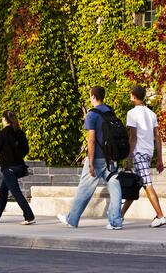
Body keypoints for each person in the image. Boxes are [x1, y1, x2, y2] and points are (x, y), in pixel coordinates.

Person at [57, 86, 123, 230]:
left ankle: (72, 219)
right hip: (111, 157)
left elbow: (91, 140)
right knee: (115, 186)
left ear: (93, 96)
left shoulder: (92, 115)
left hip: (98, 158)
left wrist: (91, 162)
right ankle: (116, 221)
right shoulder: (110, 111)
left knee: (84, 189)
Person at [122, 85, 166, 228]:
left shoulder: (132, 113)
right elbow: (158, 137)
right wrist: (159, 159)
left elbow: (133, 137)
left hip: (139, 153)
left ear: (134, 96)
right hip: (148, 152)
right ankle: (119, 216)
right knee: (135, 184)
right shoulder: (151, 114)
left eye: (130, 94)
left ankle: (160, 215)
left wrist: (128, 158)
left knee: (147, 184)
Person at [0, 110, 35, 225]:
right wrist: (17, 155)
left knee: (16, 193)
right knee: (3, 192)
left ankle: (29, 216)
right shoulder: (19, 132)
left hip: (9, 169)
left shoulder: (2, 134)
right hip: (19, 167)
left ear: (5, 120)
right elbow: (25, 149)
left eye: (2, 119)